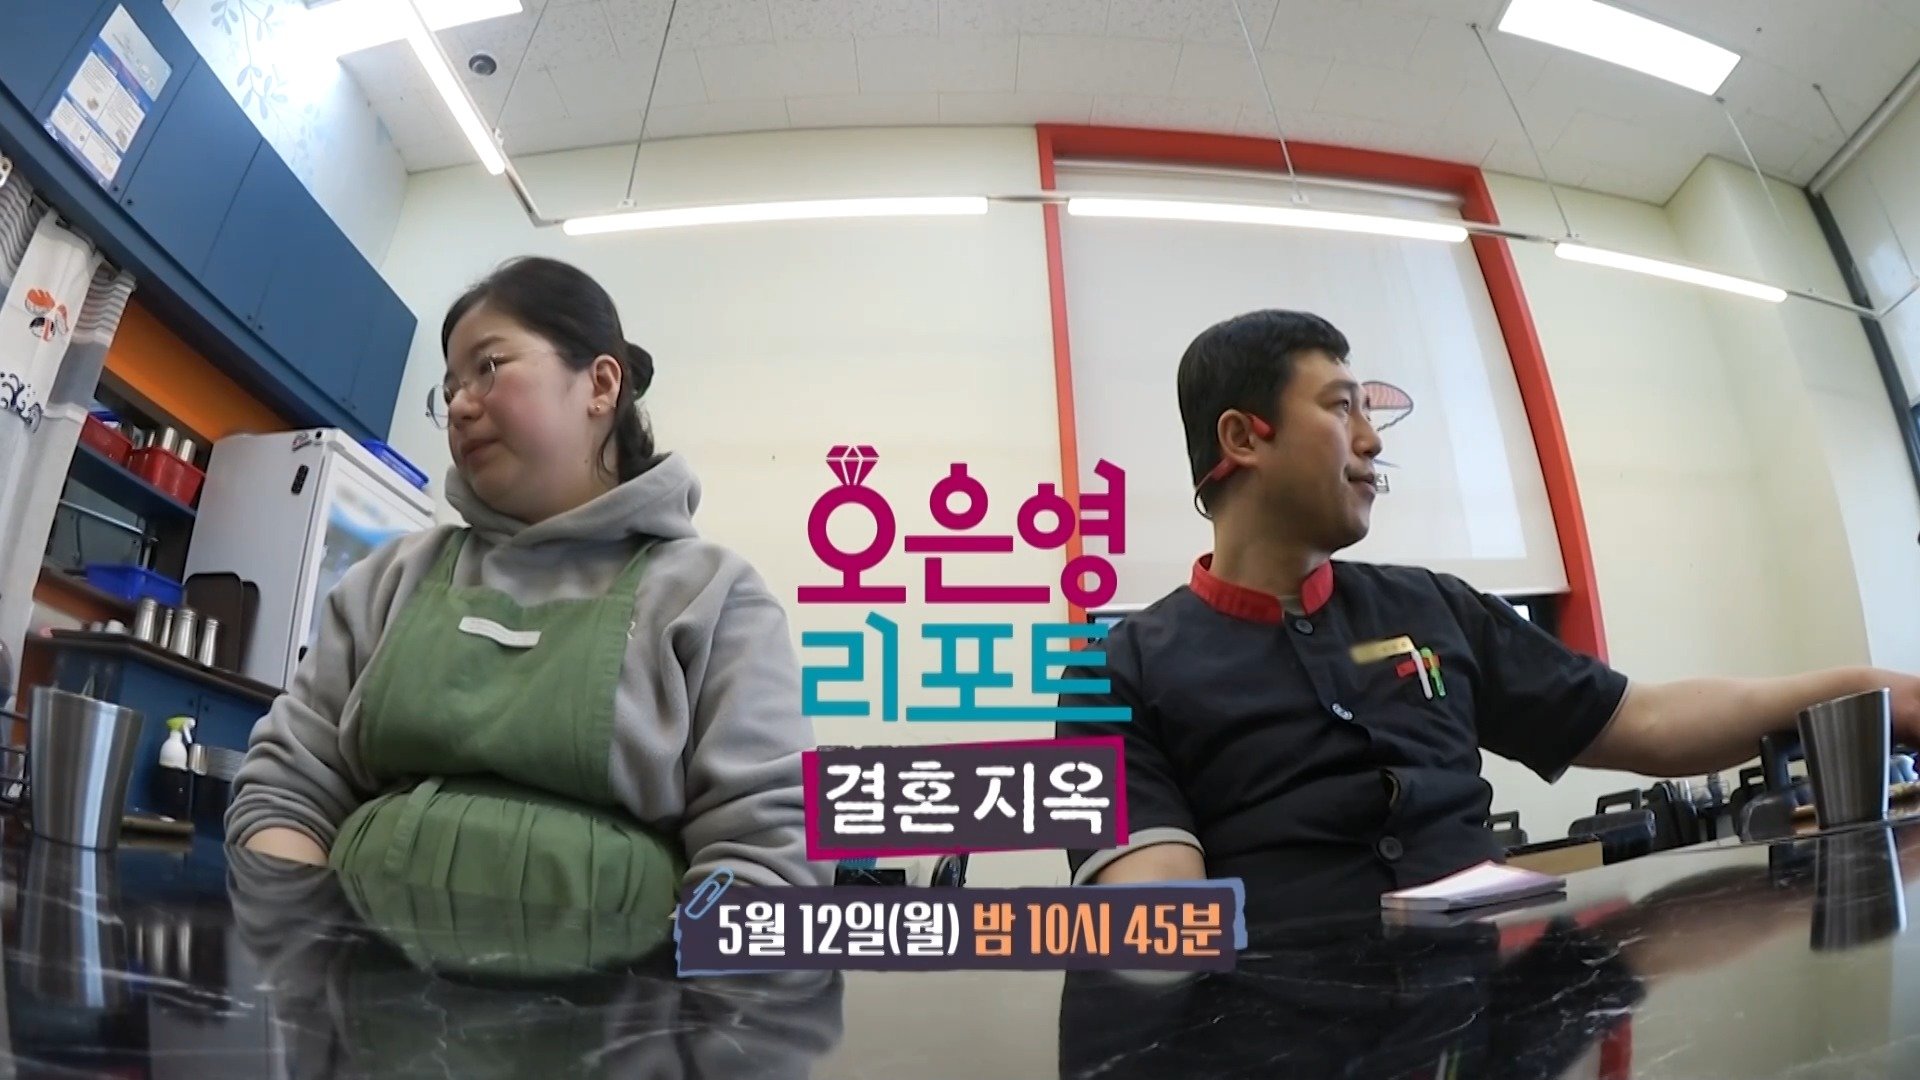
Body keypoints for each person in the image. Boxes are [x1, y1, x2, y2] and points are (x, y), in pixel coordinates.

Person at [1056, 309, 1920, 917]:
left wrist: (1863, 689)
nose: (1373, 440)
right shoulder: (1112, 672)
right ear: (1243, 439)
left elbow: (1646, 721)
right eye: (1341, 407)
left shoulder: (1436, 607)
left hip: (1497, 1009)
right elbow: (1157, 920)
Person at [227, 255, 830, 918]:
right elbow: (286, 790)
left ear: (601, 384)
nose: (459, 406)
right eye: (449, 389)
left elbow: (771, 855)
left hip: (630, 988)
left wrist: (666, 987)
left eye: (488, 367)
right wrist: (300, 947)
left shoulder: (713, 598)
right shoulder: (391, 579)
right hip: (347, 976)